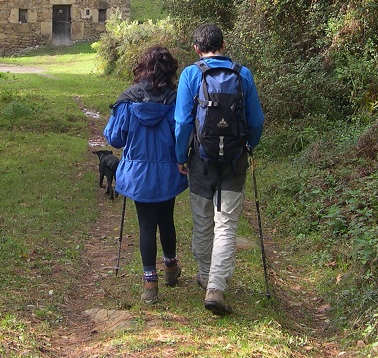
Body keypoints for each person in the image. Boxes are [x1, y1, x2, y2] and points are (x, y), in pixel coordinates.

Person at [175, 23, 265, 315]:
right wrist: (248, 146)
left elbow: (183, 123)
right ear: (224, 45)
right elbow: (256, 122)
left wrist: (181, 156)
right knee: (226, 224)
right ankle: (216, 286)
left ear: (197, 49)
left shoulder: (191, 74)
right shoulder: (243, 74)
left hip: (200, 159)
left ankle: (204, 274)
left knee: (202, 221)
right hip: (235, 160)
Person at [104, 46, 188, 304]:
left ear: (143, 68)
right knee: (167, 219)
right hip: (168, 171)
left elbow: (114, 138)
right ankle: (171, 268)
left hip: (138, 173)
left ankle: (149, 283)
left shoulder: (128, 100)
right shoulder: (176, 99)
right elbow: (183, 132)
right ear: (170, 70)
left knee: (146, 225)